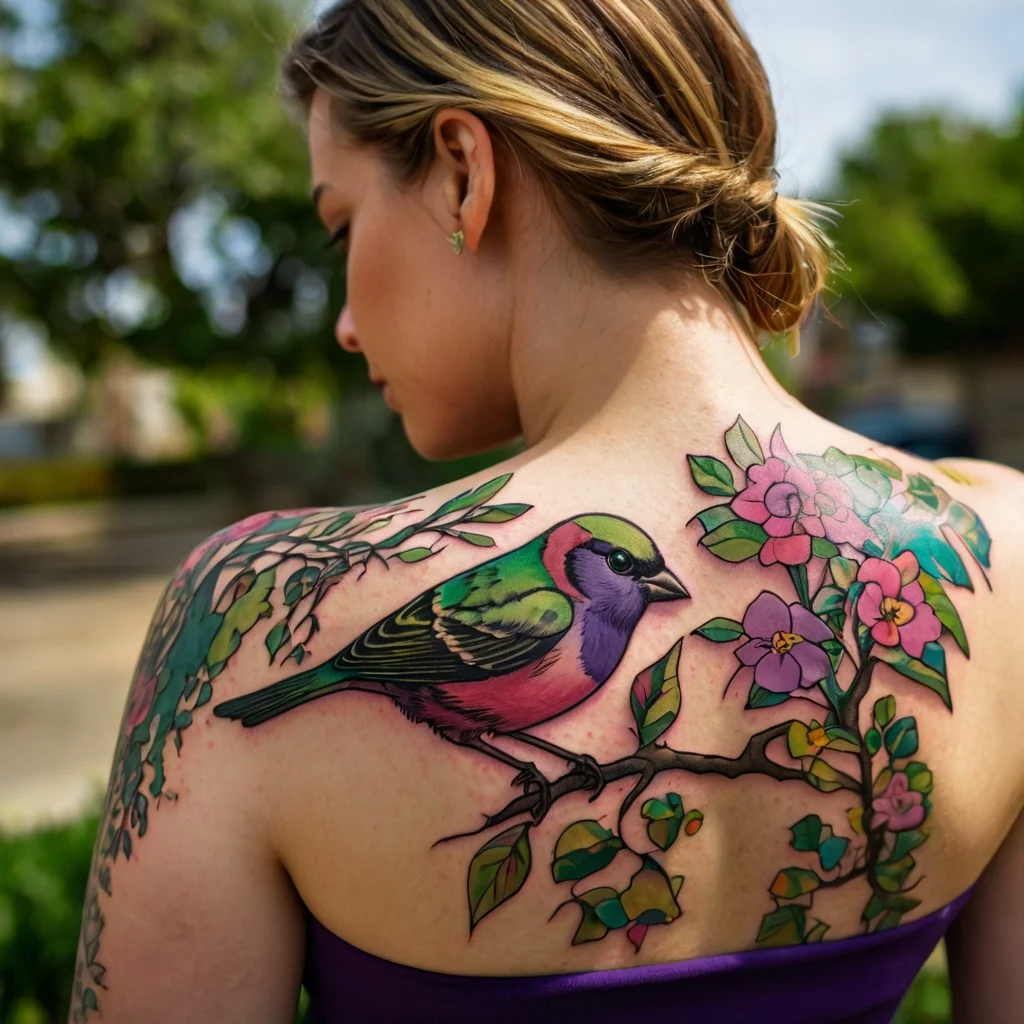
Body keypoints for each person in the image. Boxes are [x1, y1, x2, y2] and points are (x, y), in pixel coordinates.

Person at [69, 2, 1023, 1022]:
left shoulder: (245, 617)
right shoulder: (1005, 549)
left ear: (462, 173)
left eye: (341, 224)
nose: (344, 324)